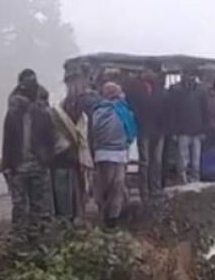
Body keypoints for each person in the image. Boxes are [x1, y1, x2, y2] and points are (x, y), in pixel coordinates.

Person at [2, 92, 55, 228]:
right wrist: (7, 166)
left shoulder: (43, 115)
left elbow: (50, 140)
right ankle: (19, 234)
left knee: (38, 204)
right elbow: (7, 143)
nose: (19, 100)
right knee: (19, 204)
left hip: (38, 164)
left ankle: (36, 234)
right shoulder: (12, 116)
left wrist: (47, 160)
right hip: (18, 167)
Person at [89, 82, 137, 227]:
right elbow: (131, 131)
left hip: (102, 154)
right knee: (117, 186)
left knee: (104, 186)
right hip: (119, 154)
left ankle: (104, 215)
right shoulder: (124, 111)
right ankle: (113, 218)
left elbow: (93, 132)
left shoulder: (97, 111)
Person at [48, 87, 91, 221]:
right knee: (62, 195)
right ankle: (64, 220)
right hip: (61, 160)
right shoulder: (56, 116)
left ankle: (74, 218)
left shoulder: (83, 119)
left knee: (76, 194)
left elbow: (84, 140)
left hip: (75, 161)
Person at [127, 70, 167, 199]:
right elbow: (133, 106)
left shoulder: (160, 90)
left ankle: (155, 188)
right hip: (144, 128)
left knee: (156, 162)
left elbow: (166, 109)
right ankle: (144, 190)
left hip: (158, 130)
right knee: (145, 162)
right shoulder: (136, 88)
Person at [170, 74, 205, 184]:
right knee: (183, 160)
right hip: (182, 130)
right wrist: (174, 131)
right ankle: (182, 181)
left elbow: (205, 111)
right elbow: (172, 112)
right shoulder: (175, 89)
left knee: (196, 161)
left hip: (197, 130)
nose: (189, 77)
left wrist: (204, 130)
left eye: (192, 74)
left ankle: (195, 181)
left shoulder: (201, 90)